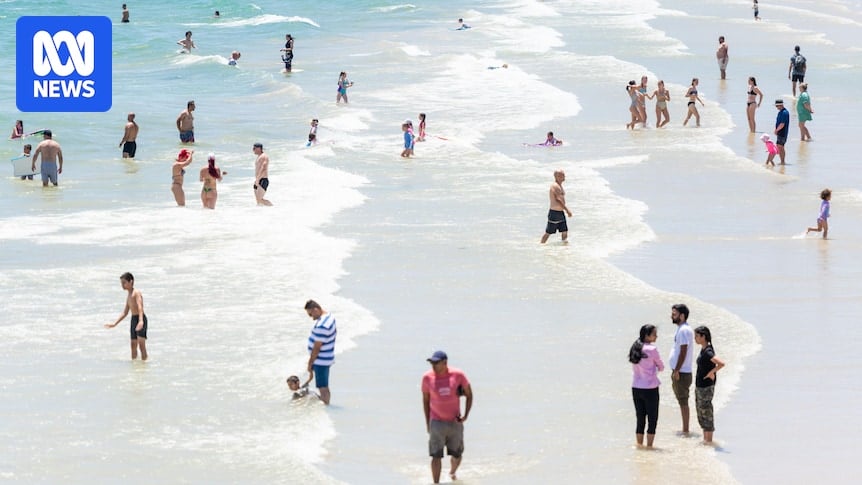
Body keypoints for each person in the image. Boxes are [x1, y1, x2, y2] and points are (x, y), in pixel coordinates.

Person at [422, 350, 472, 483]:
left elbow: (469, 394)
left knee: (457, 454)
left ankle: (452, 472)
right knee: (435, 455)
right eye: (432, 362)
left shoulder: (458, 375)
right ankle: (436, 483)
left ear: (445, 362)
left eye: (436, 363)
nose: (433, 365)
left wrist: (466, 415)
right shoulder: (427, 378)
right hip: (436, 422)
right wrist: (428, 423)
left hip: (455, 421)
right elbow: (426, 400)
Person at [629, 324, 664, 448]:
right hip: (650, 388)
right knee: (652, 419)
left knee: (640, 418)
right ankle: (649, 446)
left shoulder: (635, 347)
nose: (656, 336)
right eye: (654, 334)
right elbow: (661, 366)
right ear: (647, 335)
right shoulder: (652, 349)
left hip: (636, 387)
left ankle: (639, 445)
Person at [104, 272, 148, 361]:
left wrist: (141, 321)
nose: (122, 285)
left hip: (140, 318)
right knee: (133, 345)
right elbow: (125, 312)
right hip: (133, 319)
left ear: (131, 281)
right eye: (121, 283)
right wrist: (114, 324)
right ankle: (135, 366)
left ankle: (144, 366)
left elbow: (140, 307)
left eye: (124, 283)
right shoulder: (128, 295)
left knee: (141, 345)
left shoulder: (136, 293)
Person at [694, 326, 725, 444]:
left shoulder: (708, 351)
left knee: (706, 411)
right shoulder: (704, 349)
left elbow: (721, 363)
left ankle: (709, 440)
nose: (695, 338)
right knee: (701, 411)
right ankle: (706, 440)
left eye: (697, 336)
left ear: (703, 337)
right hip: (700, 386)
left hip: (706, 387)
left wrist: (711, 373)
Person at [669, 303, 694, 435]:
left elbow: (683, 352)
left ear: (682, 316)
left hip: (682, 372)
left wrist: (677, 370)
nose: (671, 316)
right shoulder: (682, 329)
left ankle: (686, 430)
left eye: (674, 314)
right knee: (682, 400)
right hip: (681, 371)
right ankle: (685, 429)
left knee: (683, 401)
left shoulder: (684, 330)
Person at [305, 299, 336, 405]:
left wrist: (310, 363)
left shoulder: (322, 325)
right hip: (326, 357)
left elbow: (316, 348)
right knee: (323, 386)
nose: (312, 318)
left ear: (316, 309)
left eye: (311, 314)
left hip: (321, 361)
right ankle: (326, 404)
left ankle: (326, 406)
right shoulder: (329, 317)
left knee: (323, 387)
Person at [540, 169, 573, 244]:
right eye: (560, 175)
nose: (563, 176)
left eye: (563, 175)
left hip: (560, 212)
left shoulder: (559, 185)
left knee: (564, 231)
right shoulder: (555, 186)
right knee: (548, 232)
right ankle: (541, 245)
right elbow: (558, 200)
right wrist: (567, 210)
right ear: (556, 177)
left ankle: (564, 246)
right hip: (554, 213)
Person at [773, 99, 790, 165]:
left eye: (777, 106)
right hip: (780, 132)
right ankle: (782, 161)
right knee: (779, 146)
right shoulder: (781, 112)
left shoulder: (784, 112)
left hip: (782, 132)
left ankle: (783, 161)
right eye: (776, 106)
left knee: (781, 146)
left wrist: (776, 130)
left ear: (781, 105)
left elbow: (782, 124)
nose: (776, 107)